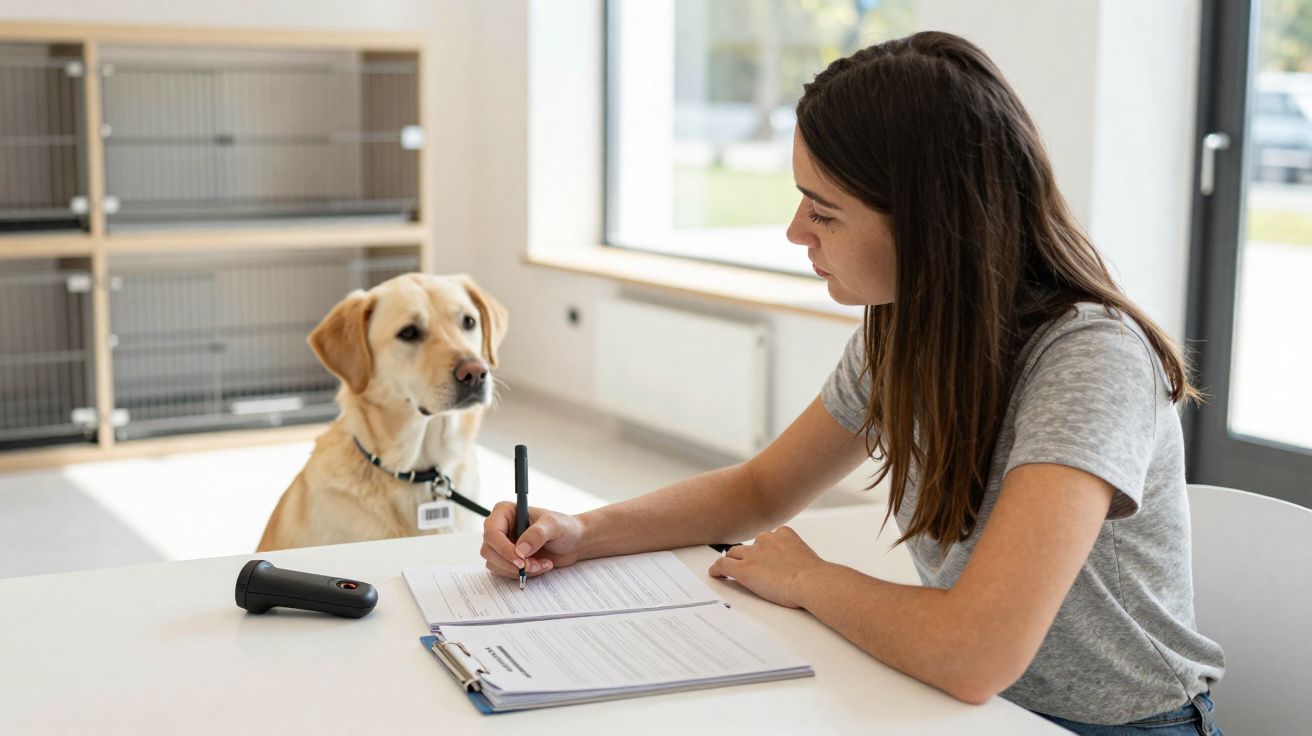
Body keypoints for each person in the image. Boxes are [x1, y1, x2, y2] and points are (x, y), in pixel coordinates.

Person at [480, 31, 1225, 735]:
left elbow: (973, 652)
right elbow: (760, 491)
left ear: (932, 224)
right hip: (967, 707)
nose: (796, 231)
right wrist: (582, 533)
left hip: (1111, 724)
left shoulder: (1092, 360)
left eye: (825, 211)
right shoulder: (904, 329)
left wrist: (811, 579)